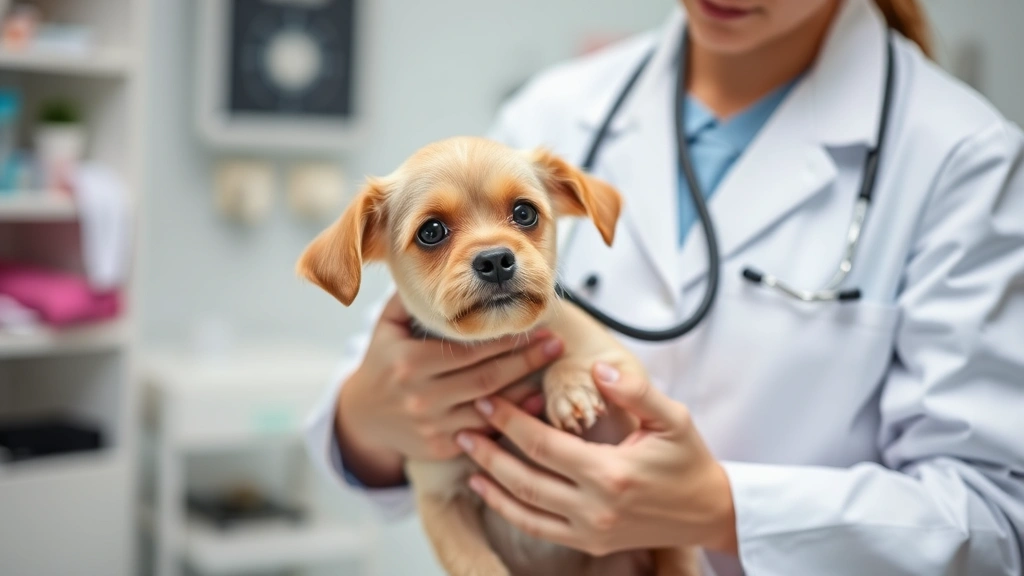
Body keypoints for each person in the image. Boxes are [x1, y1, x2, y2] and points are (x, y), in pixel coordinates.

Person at [305, 0, 1024, 573]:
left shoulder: (962, 156)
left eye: (525, 216)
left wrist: (721, 508)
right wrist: (367, 413)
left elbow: (997, 523)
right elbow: (406, 337)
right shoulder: (554, 107)